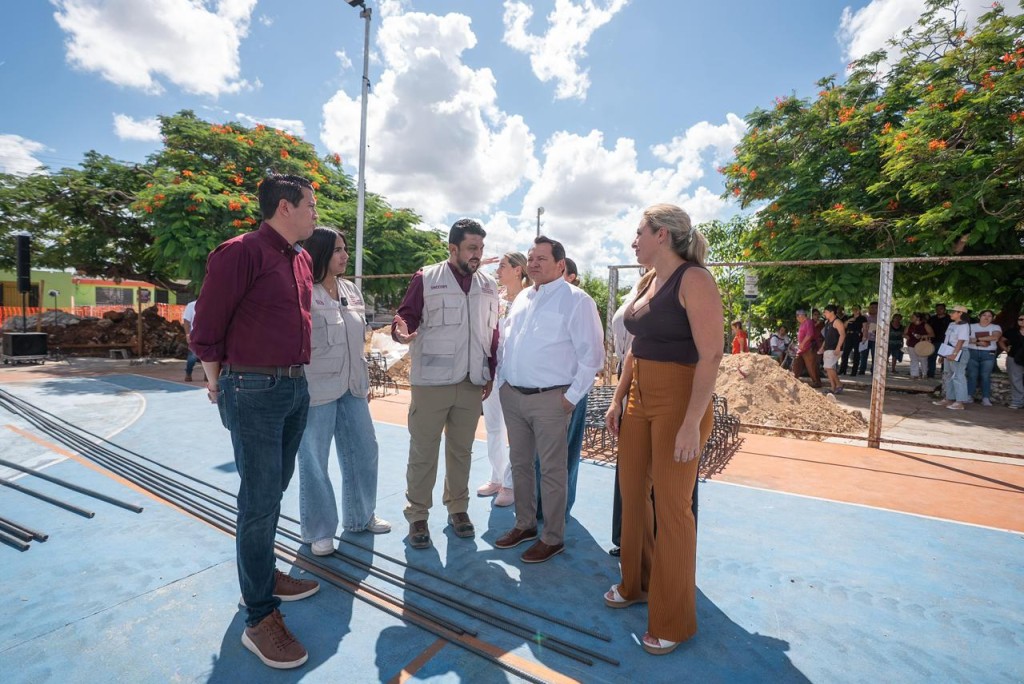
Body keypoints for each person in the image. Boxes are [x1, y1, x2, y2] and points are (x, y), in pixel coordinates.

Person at [191, 174, 320, 669]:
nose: (315, 213)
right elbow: (207, 327)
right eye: (309, 204)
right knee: (259, 499)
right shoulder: (239, 252)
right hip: (253, 389)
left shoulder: (302, 258)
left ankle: (263, 578)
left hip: (294, 387)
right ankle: (259, 616)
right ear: (284, 207)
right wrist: (216, 380)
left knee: (273, 492)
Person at [603, 204, 723, 656]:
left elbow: (710, 355)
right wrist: (618, 398)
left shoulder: (695, 280)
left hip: (679, 400)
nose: (633, 242)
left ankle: (673, 618)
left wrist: (692, 422)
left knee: (672, 509)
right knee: (632, 495)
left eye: (638, 233)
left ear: (662, 234)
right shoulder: (648, 280)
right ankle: (636, 583)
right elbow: (635, 349)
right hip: (639, 397)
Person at [494, 236, 604, 563]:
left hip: (551, 401)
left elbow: (592, 357)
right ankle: (525, 525)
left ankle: (553, 537)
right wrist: (502, 383)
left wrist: (569, 399)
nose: (534, 263)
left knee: (552, 472)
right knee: (521, 465)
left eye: (542, 258)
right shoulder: (524, 297)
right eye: (531, 257)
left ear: (560, 264)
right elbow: (508, 344)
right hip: (514, 396)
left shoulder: (577, 301)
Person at [392, 219, 499, 550]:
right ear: (452, 249)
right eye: (471, 248)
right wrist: (401, 331)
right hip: (431, 382)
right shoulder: (427, 277)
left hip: (471, 381)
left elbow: (491, 330)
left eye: (480, 248)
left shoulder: (488, 285)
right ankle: (418, 516)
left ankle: (458, 509)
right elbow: (406, 315)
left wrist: (491, 370)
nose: (477, 254)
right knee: (423, 452)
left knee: (462, 452)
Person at [297, 227, 391, 559]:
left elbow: (359, 340)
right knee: (314, 461)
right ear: (320, 253)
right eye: (338, 249)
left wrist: (362, 380)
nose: (345, 255)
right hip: (317, 390)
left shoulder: (351, 290)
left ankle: (360, 517)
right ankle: (319, 530)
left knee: (365, 451)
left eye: (346, 249)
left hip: (353, 387)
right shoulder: (303, 291)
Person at [477, 252, 530, 508]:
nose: (498, 270)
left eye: (503, 266)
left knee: (517, 433)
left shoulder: (531, 297)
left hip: (517, 375)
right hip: (493, 372)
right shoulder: (495, 298)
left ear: (519, 270)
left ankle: (511, 484)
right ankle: (497, 477)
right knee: (493, 428)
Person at [932, 305, 971, 410]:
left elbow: (961, 340)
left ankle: (960, 402)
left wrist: (954, 353)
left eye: (953, 312)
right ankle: (949, 398)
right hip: (949, 350)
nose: (951, 313)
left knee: (958, 375)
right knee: (948, 375)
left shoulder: (964, 325)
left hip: (959, 351)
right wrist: (942, 354)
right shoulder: (951, 324)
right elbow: (946, 339)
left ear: (960, 313)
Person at [965, 309, 1002, 407]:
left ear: (993, 318)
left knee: (985, 376)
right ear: (979, 317)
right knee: (972, 375)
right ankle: (969, 396)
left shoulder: (995, 327)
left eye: (989, 316)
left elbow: (995, 337)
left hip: (988, 353)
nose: (986, 317)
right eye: (984, 315)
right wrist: (978, 342)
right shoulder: (971, 326)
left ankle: (986, 398)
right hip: (972, 352)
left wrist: (977, 339)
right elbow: (964, 338)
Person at [998, 313, 1024, 409]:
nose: (1022, 321)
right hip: (1014, 357)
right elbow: (1001, 340)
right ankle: (1017, 401)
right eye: (1020, 319)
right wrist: (1005, 349)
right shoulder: (1012, 331)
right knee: (1015, 380)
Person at [791, 309, 822, 387]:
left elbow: (810, 334)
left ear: (802, 316)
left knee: (811, 365)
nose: (797, 318)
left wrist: (803, 343)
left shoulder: (808, 322)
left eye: (797, 316)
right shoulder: (802, 323)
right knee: (797, 362)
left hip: (809, 347)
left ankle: (817, 382)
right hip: (802, 348)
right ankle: (793, 379)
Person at [820, 305, 846, 394]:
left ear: (832, 312)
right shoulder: (828, 322)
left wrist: (838, 347)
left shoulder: (837, 322)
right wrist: (822, 347)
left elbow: (842, 334)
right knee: (828, 368)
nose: (824, 313)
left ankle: (839, 384)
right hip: (828, 348)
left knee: (829, 367)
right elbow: (826, 337)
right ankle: (833, 387)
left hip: (834, 348)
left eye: (826, 312)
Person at [904, 312, 934, 380]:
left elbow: (932, 334)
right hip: (911, 344)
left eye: (913, 317)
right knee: (913, 360)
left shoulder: (925, 325)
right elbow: (904, 333)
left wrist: (922, 336)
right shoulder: (910, 325)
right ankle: (914, 374)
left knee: (923, 359)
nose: (911, 318)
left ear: (918, 318)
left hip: (922, 345)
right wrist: (906, 336)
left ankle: (924, 374)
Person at [839, 305, 866, 376]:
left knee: (856, 354)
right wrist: (848, 321)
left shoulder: (862, 318)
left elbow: (865, 328)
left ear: (859, 310)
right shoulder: (849, 317)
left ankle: (854, 371)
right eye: (853, 309)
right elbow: (844, 326)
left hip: (857, 336)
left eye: (856, 309)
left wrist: (864, 337)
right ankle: (842, 370)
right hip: (848, 336)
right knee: (845, 353)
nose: (855, 310)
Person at [927, 304, 951, 379]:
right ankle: (930, 374)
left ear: (944, 309)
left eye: (941, 308)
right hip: (934, 341)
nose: (939, 310)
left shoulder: (950, 319)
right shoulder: (932, 319)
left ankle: (945, 375)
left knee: (945, 359)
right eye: (937, 308)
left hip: (946, 341)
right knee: (931, 358)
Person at [181, 299, 201, 382]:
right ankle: (188, 373)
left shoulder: (212, 305)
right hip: (195, 335)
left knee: (208, 357)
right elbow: (186, 321)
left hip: (208, 335)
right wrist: (188, 334)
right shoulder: (192, 305)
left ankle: (208, 376)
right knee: (193, 356)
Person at [859, 302, 879, 374]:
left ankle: (874, 371)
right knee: (863, 355)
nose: (874, 309)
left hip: (875, 340)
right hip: (865, 339)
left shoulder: (880, 317)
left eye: (876, 307)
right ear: (869, 308)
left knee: (875, 356)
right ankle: (862, 370)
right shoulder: (864, 316)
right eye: (872, 307)